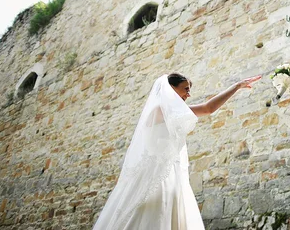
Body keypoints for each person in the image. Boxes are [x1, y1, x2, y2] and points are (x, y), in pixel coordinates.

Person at [93, 72, 261, 230]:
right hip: (156, 174)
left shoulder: (170, 112)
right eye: (185, 89)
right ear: (170, 89)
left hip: (173, 174)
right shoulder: (158, 111)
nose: (188, 94)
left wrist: (236, 87)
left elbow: (208, 109)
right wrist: (236, 86)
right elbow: (207, 108)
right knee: (152, 213)